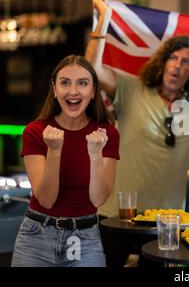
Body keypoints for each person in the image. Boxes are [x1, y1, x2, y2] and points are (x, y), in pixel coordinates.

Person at [85, 0, 189, 217]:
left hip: (169, 219)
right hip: (118, 211)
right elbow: (92, 71)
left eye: (186, 61)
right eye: (173, 58)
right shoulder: (133, 89)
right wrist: (103, 21)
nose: (177, 65)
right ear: (162, 62)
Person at [11, 55, 120, 267]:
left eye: (83, 83)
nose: (73, 91)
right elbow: (46, 199)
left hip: (85, 238)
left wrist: (96, 154)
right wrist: (54, 151)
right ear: (54, 89)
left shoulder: (107, 134)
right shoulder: (35, 131)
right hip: (36, 237)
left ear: (93, 90)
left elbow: (98, 199)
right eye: (65, 82)